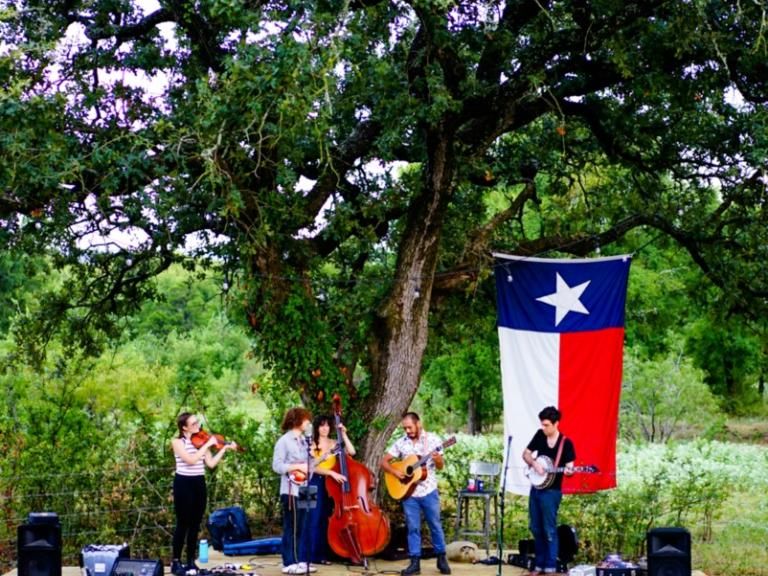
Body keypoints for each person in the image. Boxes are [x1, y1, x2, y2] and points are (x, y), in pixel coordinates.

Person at [380, 412, 451, 576]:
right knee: (413, 528)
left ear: (418, 423)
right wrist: (395, 472)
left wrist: (438, 459)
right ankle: (414, 563)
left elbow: (440, 466)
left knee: (435, 525)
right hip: (409, 493)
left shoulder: (433, 440)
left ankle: (441, 558)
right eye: (405, 428)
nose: (407, 431)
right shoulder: (401, 442)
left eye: (409, 427)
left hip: (428, 491)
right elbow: (383, 462)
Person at [171, 412, 238, 576]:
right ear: (184, 427)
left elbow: (211, 464)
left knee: (195, 524)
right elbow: (191, 460)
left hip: (198, 483)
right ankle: (175, 561)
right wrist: (207, 445)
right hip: (183, 483)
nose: (197, 426)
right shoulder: (177, 442)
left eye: (197, 423)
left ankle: (190, 561)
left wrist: (224, 449)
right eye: (193, 424)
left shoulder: (200, 441)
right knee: (182, 524)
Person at [522, 406, 575, 576]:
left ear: (556, 424)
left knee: (549, 529)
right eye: (542, 425)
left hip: (551, 492)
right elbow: (526, 454)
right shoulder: (539, 435)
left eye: (546, 425)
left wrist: (569, 471)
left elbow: (570, 467)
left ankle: (551, 566)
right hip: (536, 489)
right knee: (536, 527)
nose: (543, 428)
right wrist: (535, 464)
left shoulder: (565, 443)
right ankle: (539, 565)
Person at [301, 414, 355, 565]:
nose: (325, 428)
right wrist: (331, 472)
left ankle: (321, 555)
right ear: (316, 427)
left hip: (329, 484)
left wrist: (343, 433)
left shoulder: (334, 443)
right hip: (310, 482)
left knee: (324, 519)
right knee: (309, 518)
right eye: (321, 425)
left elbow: (352, 452)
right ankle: (305, 556)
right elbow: (310, 466)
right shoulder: (310, 443)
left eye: (327, 425)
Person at [272, 407, 316, 575]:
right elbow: (277, 465)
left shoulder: (305, 440)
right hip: (291, 489)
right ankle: (289, 561)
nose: (308, 423)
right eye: (306, 420)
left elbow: (310, 467)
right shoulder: (284, 441)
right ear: (297, 421)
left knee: (304, 525)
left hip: (306, 487)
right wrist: (297, 466)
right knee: (292, 525)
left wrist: (315, 456)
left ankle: (301, 559)